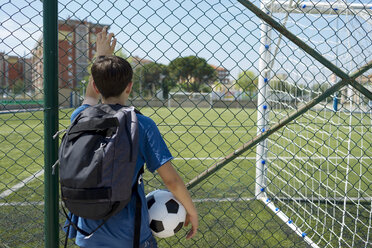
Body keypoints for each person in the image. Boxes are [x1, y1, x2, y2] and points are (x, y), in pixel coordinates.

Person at [66, 27, 198, 248]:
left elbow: (90, 95)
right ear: (129, 87)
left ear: (97, 86)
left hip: (87, 234)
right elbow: (171, 180)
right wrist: (192, 212)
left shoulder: (79, 117)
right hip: (131, 237)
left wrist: (101, 58)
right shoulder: (141, 124)